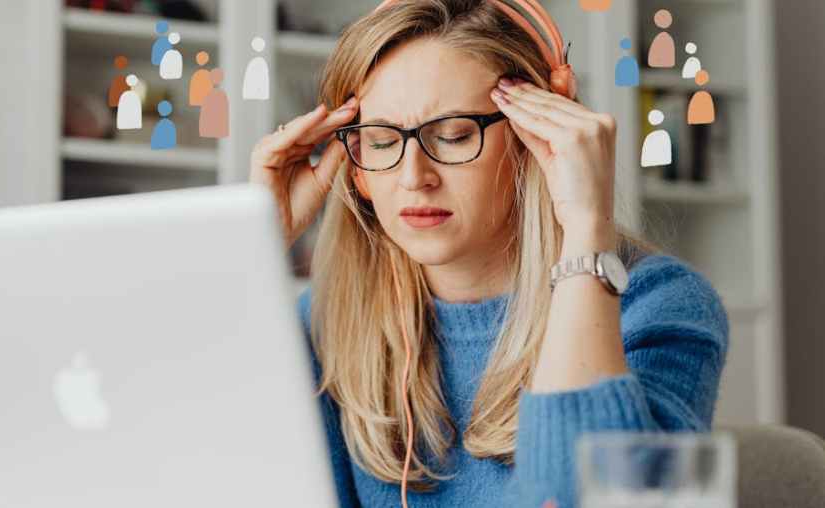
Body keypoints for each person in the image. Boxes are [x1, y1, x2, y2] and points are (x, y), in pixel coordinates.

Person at [247, 1, 729, 507]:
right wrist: (255, 249)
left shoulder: (660, 307)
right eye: (382, 141)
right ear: (357, 166)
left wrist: (587, 232)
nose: (414, 176)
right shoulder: (327, 321)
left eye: (454, 135)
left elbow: (587, 499)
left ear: (536, 139)